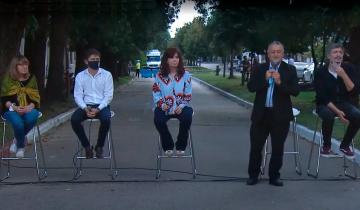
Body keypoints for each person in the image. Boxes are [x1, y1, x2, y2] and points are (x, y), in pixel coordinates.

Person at [246, 41, 300, 187]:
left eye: (279, 51)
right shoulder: (259, 69)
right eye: (273, 52)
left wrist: (279, 82)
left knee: (278, 148)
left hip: (280, 116)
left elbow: (295, 91)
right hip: (261, 115)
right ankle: (253, 175)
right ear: (268, 54)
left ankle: (274, 176)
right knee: (256, 147)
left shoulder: (290, 70)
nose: (276, 54)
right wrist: (264, 79)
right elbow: (251, 87)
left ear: (283, 54)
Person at [314, 43, 360, 158]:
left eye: (340, 52)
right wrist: (338, 112)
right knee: (328, 116)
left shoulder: (349, 69)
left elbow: (354, 91)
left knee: (357, 115)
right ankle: (326, 146)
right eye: (335, 52)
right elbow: (322, 97)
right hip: (325, 104)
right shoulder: (321, 72)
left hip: (343, 103)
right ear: (329, 56)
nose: (338, 55)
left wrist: (343, 75)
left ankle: (344, 145)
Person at [71, 48, 113, 159]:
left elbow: (108, 96)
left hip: (101, 106)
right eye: (92, 59)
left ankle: (99, 146)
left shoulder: (107, 75)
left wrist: (98, 108)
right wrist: (85, 108)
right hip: (86, 106)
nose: (95, 61)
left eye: (97, 59)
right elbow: (78, 95)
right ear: (86, 61)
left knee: (106, 119)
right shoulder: (80, 76)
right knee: (74, 120)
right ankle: (87, 146)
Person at [152, 47, 193, 156]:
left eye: (177, 57)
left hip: (181, 107)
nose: (175, 60)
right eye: (171, 57)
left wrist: (182, 105)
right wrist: (162, 104)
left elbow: (188, 94)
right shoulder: (159, 76)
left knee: (188, 116)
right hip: (165, 107)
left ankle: (181, 145)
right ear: (166, 60)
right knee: (158, 119)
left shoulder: (186, 75)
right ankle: (168, 145)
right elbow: (156, 92)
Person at [0, 55, 40, 158]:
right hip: (11, 109)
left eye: (26, 64)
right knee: (18, 124)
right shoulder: (8, 79)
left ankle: (16, 140)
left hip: (28, 108)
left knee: (32, 117)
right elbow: (4, 99)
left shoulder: (32, 78)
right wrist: (15, 108)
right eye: (21, 64)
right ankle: (21, 146)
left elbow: (35, 97)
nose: (24, 66)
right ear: (15, 66)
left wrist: (30, 107)